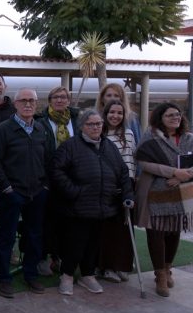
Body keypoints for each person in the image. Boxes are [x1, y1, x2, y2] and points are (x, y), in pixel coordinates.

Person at [51, 109, 134, 296]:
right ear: (82, 126)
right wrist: (74, 192)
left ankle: (88, 275)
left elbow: (123, 172)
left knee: (94, 243)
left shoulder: (108, 146)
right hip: (78, 207)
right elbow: (57, 171)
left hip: (104, 205)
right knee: (75, 242)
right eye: (91, 124)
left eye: (99, 124)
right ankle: (67, 275)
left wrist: (127, 195)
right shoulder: (71, 146)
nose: (96, 127)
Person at [135, 102, 193, 297]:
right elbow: (143, 161)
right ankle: (159, 274)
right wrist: (172, 172)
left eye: (177, 114)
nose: (175, 118)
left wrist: (185, 174)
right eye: (170, 115)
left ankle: (168, 268)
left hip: (183, 192)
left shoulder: (190, 138)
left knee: (174, 231)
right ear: (160, 118)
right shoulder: (149, 138)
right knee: (156, 233)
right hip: (156, 192)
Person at [0, 88, 52, 298]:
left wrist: (45, 186)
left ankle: (30, 274)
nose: (28, 104)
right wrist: (6, 188)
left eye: (31, 100)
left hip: (37, 192)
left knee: (34, 236)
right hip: (12, 193)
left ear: (36, 103)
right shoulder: (4, 129)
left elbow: (49, 160)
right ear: (15, 104)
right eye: (23, 100)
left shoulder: (41, 129)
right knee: (6, 236)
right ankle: (4, 278)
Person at [34, 86, 81, 276]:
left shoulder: (77, 121)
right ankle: (44, 257)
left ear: (69, 101)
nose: (60, 100)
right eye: (56, 97)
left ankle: (61, 258)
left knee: (69, 222)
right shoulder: (41, 122)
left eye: (64, 97)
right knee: (47, 222)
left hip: (72, 180)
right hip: (48, 181)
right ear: (50, 100)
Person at [96, 100, 137, 283]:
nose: (115, 116)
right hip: (106, 186)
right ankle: (106, 266)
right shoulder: (100, 135)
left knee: (125, 227)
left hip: (127, 184)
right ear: (106, 113)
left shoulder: (128, 133)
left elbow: (132, 159)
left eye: (119, 113)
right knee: (107, 229)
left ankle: (123, 265)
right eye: (112, 112)